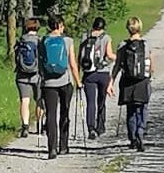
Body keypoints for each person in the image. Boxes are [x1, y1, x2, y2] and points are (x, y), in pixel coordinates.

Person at [40, 12, 81, 159]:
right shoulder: (67, 41)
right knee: (65, 112)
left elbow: (40, 63)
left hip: (48, 83)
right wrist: (78, 81)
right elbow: (72, 63)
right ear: (59, 26)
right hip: (65, 81)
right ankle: (63, 146)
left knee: (51, 114)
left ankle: (52, 148)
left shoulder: (42, 40)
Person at [111, 16, 153, 152]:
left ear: (128, 28)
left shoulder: (123, 45)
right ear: (140, 27)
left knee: (131, 111)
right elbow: (151, 65)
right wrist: (150, 76)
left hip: (127, 81)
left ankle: (132, 138)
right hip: (142, 81)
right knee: (143, 108)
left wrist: (111, 82)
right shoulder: (146, 45)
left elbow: (117, 65)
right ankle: (141, 131)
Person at [78, 16, 115, 140]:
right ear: (103, 26)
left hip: (89, 74)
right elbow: (109, 55)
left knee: (90, 102)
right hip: (103, 73)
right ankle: (100, 126)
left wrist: (78, 73)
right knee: (101, 100)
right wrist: (118, 58)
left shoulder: (85, 37)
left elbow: (80, 56)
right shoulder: (106, 37)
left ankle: (91, 128)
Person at [14, 16, 43, 138]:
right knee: (39, 100)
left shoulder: (21, 40)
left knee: (24, 100)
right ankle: (40, 126)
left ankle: (25, 126)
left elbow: (16, 57)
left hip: (22, 75)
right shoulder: (40, 41)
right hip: (37, 74)